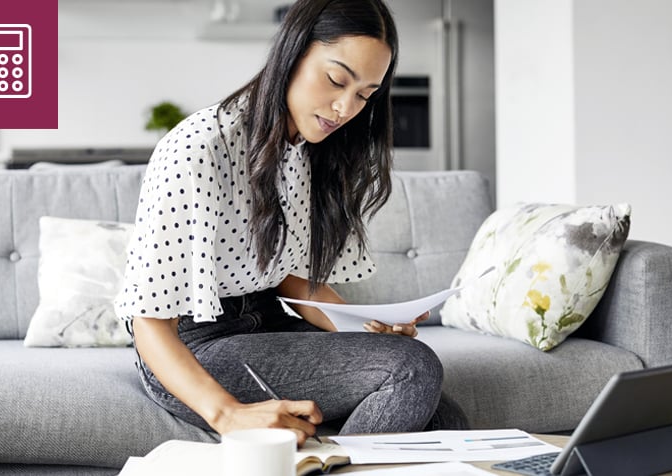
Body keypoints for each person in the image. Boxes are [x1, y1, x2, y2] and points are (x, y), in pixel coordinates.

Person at [114, 0, 468, 446]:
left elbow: (294, 283)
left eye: (364, 95)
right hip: (191, 349)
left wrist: (367, 326)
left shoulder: (306, 148)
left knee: (444, 419)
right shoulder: (199, 148)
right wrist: (228, 415)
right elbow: (149, 322)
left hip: (265, 324)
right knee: (412, 367)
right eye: (336, 79)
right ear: (292, 53)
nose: (344, 107)